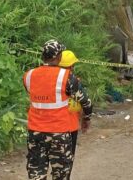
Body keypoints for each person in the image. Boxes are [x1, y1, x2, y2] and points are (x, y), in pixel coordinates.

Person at [23, 39, 92, 180]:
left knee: (36, 173)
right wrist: (86, 118)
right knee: (60, 174)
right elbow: (86, 102)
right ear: (59, 57)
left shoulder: (28, 76)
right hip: (59, 133)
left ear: (43, 56)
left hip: (35, 133)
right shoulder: (66, 77)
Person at [58, 50, 84, 157]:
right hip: (70, 125)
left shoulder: (47, 80)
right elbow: (84, 102)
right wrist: (85, 119)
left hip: (47, 126)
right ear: (72, 66)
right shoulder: (74, 81)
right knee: (67, 159)